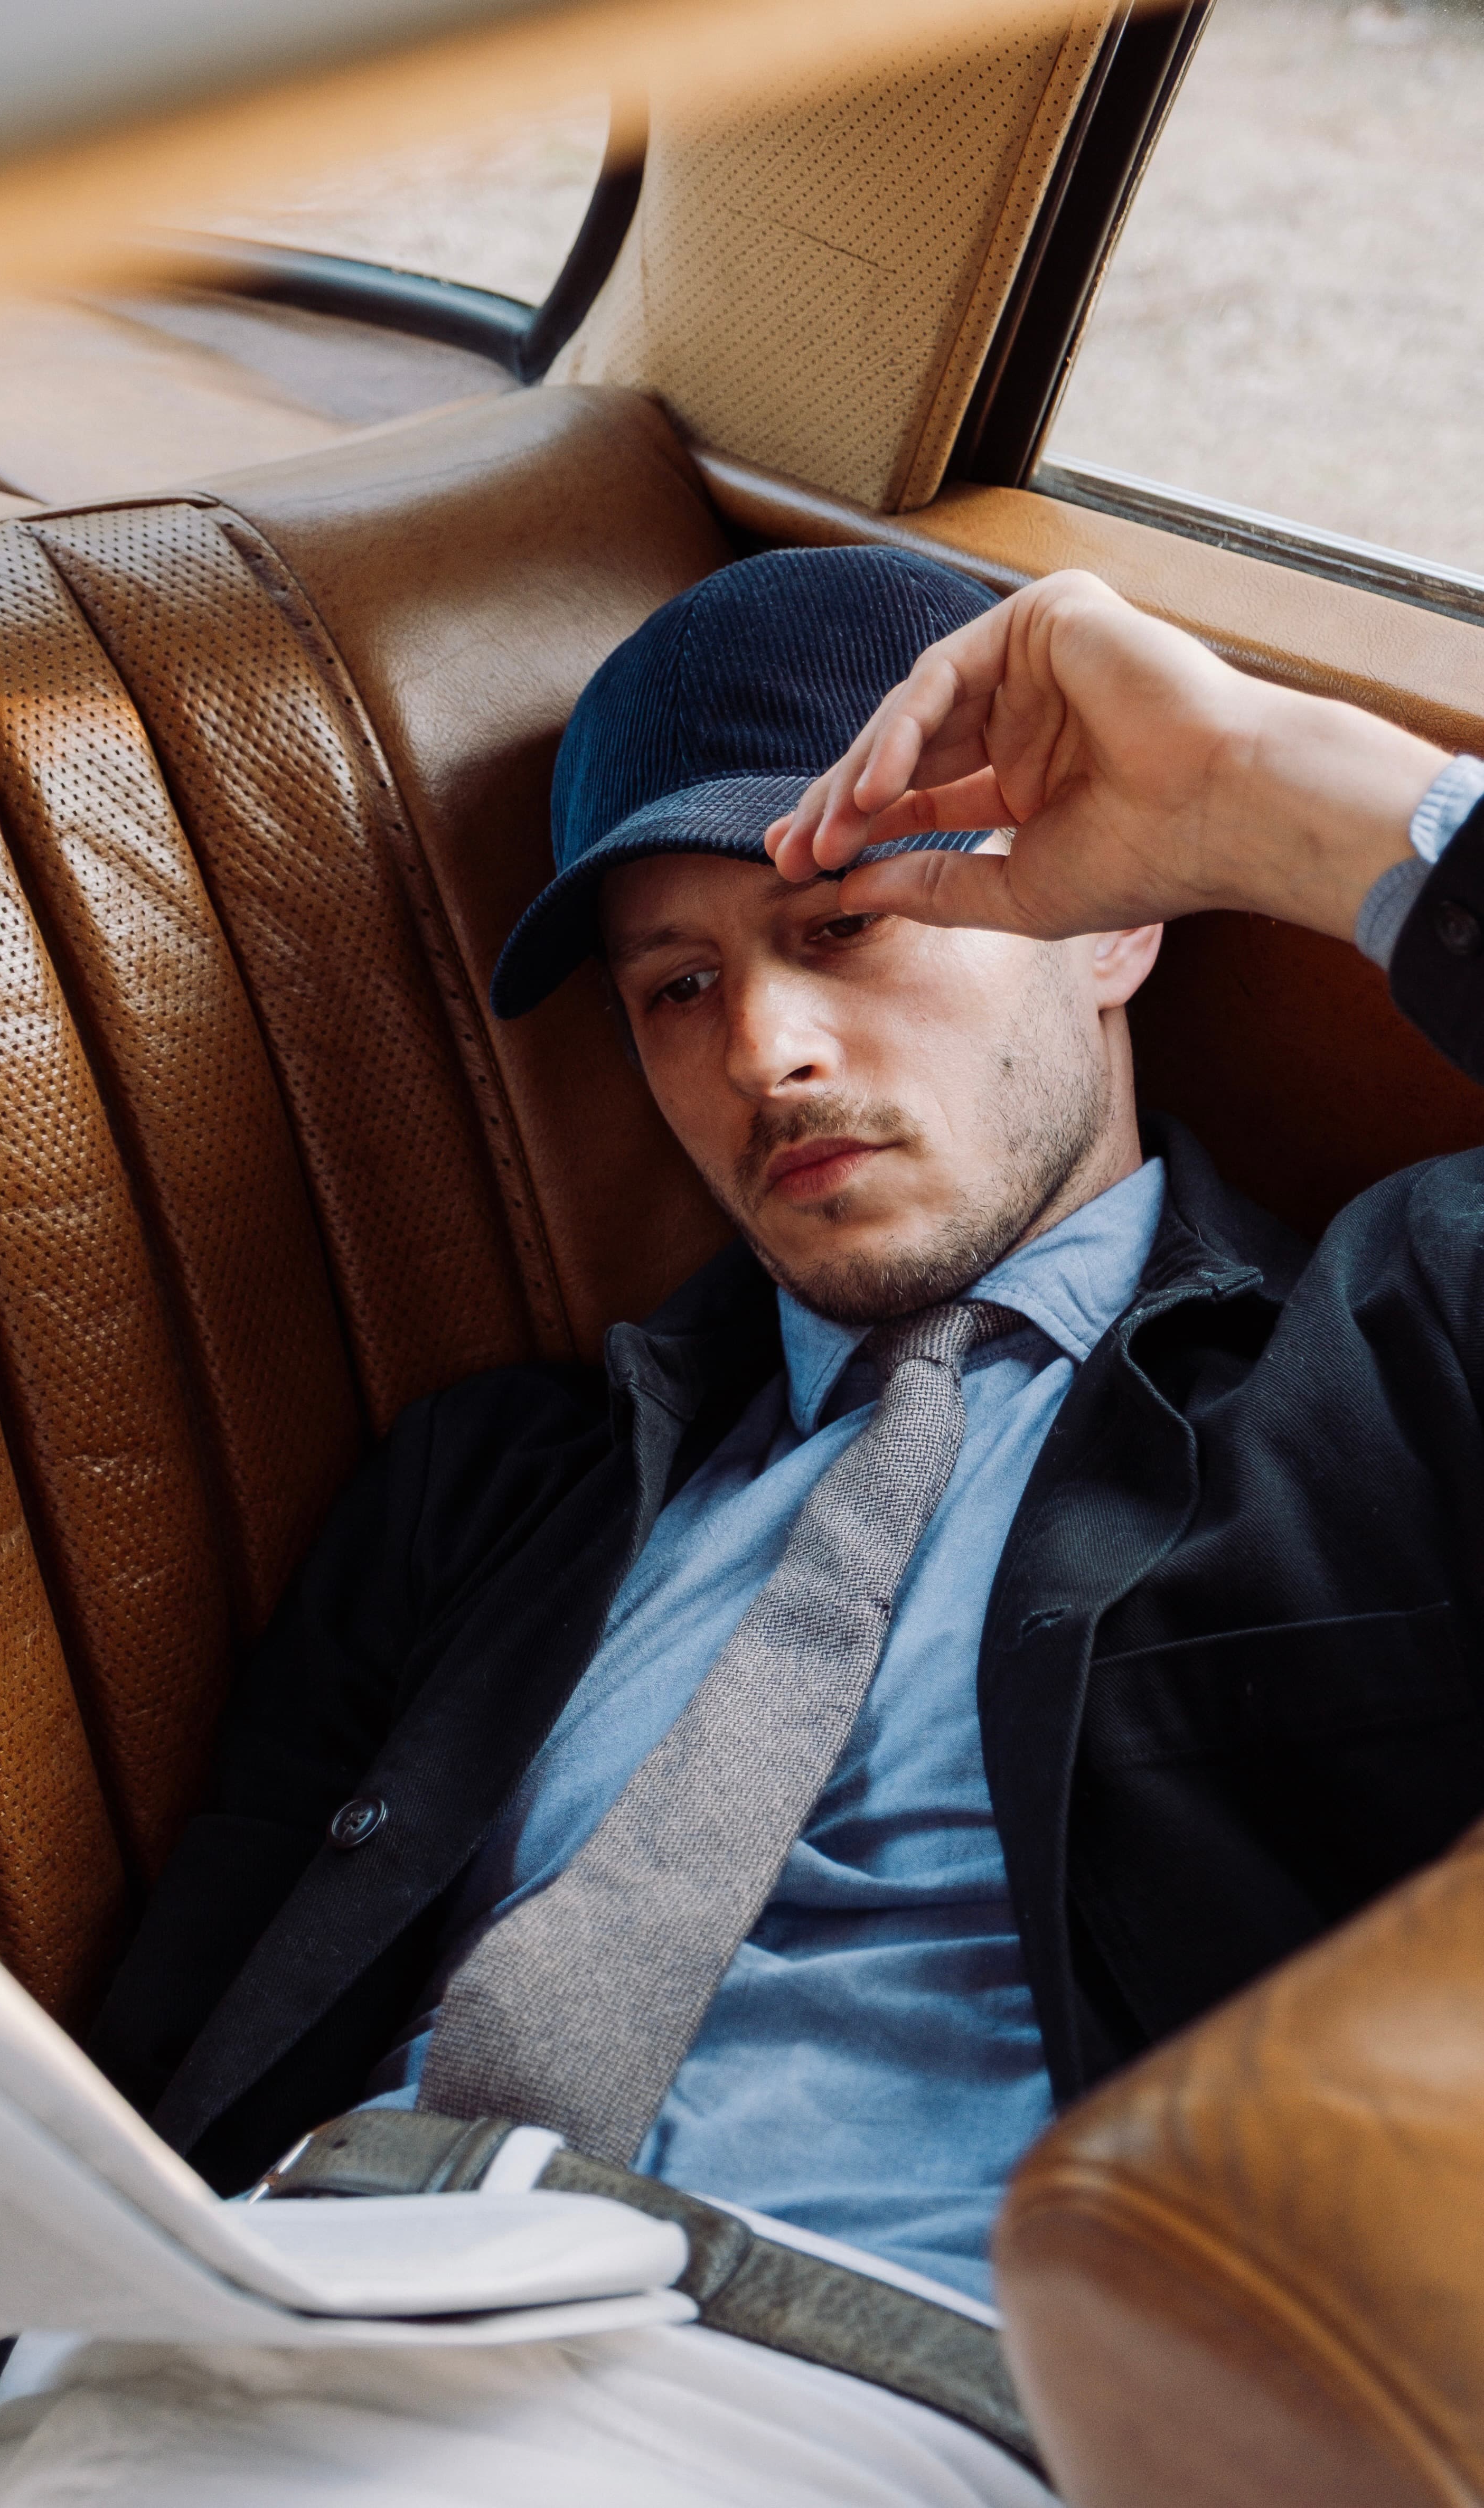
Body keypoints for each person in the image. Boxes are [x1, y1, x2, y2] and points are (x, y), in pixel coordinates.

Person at [77, 546, 1483, 2508]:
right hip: (273, 2323)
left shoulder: (1395, 1351)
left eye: (851, 924)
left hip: (903, 2395)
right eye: (679, 988)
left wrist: (1284, 790)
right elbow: (170, 2059)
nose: (763, 1056)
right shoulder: (492, 1493)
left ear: (1108, 929)